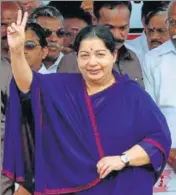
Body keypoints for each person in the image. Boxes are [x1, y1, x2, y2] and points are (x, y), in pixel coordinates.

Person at [2, 10, 171, 195]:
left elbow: (158, 140)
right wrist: (17, 50)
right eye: (84, 55)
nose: (92, 62)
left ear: (113, 55)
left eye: (100, 54)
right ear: (76, 57)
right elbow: (26, 84)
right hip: (69, 187)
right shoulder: (63, 87)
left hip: (117, 187)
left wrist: (122, 159)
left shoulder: (131, 94)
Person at [143, 1, 176, 194]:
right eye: (171, 22)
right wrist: (169, 152)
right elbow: (150, 116)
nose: (174, 29)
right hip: (166, 157)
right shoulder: (153, 59)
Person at [93, 1, 144, 87]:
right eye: (109, 27)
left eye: (123, 28)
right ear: (94, 21)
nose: (116, 35)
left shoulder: (134, 58)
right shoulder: (75, 61)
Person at [28, 6, 65, 73]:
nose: (54, 39)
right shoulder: (19, 64)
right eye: (46, 33)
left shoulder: (76, 66)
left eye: (60, 32)